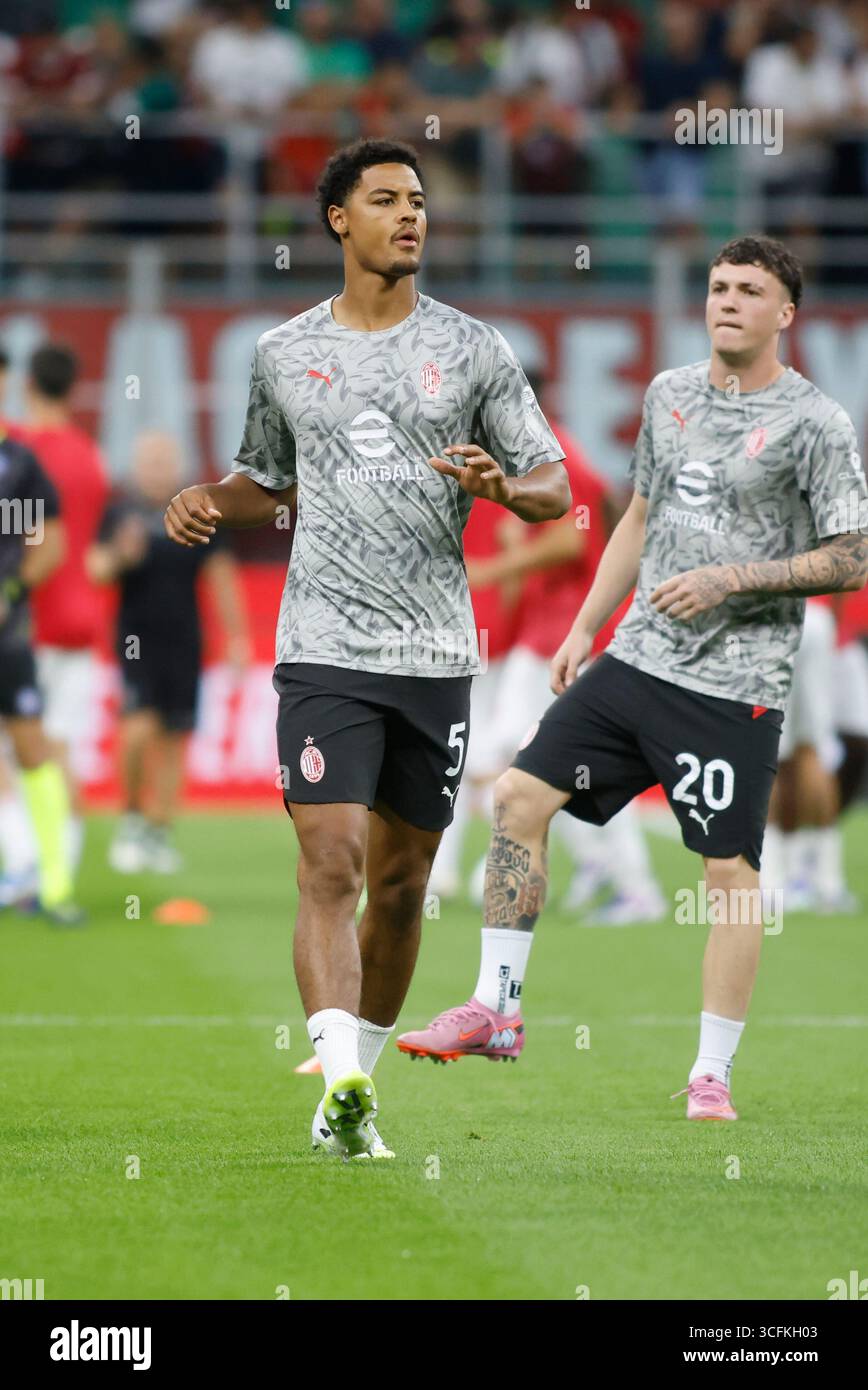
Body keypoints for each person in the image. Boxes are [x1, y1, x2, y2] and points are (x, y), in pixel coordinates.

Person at [398, 235, 868, 1123]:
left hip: (737, 684)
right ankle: (498, 1008)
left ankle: (711, 1073)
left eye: (749, 290)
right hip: (637, 659)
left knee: (727, 874)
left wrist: (735, 578)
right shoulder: (670, 395)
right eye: (718, 286)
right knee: (516, 797)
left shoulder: (816, 423)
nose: (727, 301)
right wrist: (584, 628)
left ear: (785, 314)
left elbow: (854, 554)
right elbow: (637, 520)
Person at [163, 137, 570, 1159]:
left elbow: (554, 489)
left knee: (399, 887)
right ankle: (338, 1068)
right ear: (337, 220)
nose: (411, 215)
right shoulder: (284, 353)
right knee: (330, 862)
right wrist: (210, 500)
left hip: (435, 652)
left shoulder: (476, 349)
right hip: (323, 645)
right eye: (386, 199)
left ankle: (354, 1092)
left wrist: (498, 489)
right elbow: (265, 479)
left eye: (420, 200)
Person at [89, 431, 250, 874]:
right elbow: (96, 569)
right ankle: (131, 819)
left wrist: (237, 636)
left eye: (164, 461)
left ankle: (158, 831)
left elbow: (221, 577)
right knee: (138, 729)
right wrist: (120, 556)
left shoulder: (197, 513)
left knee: (175, 737)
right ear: (136, 467)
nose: (157, 469)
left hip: (185, 641)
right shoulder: (121, 515)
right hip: (135, 644)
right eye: (149, 461)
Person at [5, 343, 110, 884]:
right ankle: (59, 870)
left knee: (16, 745)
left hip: (27, 619)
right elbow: (92, 546)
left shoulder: (22, 449)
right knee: (60, 744)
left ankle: (23, 864)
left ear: (26, 385)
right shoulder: (90, 455)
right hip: (82, 618)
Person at [0, 422, 83, 924]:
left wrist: (10, 592)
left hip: (8, 639)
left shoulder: (20, 465)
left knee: (33, 748)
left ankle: (53, 884)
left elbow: (49, 544)